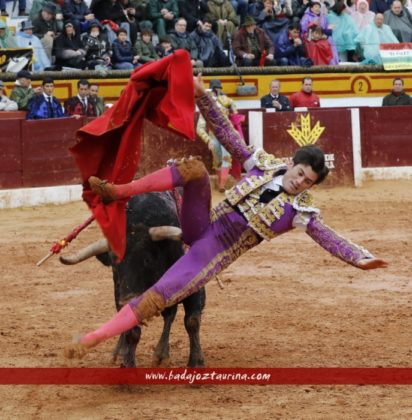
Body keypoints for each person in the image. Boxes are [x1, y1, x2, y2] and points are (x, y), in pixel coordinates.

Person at [64, 74, 387, 360]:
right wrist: (203, 96)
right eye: (300, 173)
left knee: (156, 296)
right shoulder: (261, 166)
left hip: (211, 253)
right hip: (199, 224)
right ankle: (117, 191)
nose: (299, 182)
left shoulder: (301, 212)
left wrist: (360, 258)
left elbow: (328, 238)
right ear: (292, 163)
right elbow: (226, 133)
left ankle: (91, 340)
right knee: (195, 169)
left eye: (307, 181)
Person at [196, 79, 241, 192]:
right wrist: (208, 140)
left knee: (226, 158)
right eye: (214, 89)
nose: (216, 91)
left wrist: (232, 110)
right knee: (218, 160)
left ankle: (222, 185)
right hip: (214, 137)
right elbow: (199, 128)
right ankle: (221, 183)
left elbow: (235, 110)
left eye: (218, 89)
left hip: (226, 135)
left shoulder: (225, 101)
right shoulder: (206, 107)